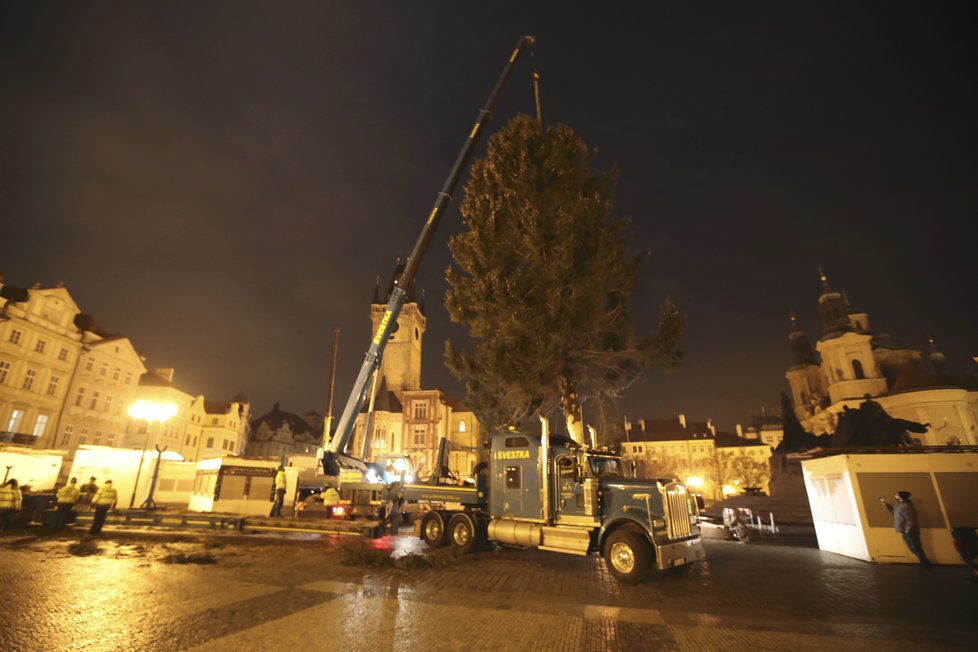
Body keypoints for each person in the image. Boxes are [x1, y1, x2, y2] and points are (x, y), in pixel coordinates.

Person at [880, 491, 931, 568]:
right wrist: (885, 504)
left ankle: (925, 565)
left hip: (910, 531)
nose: (895, 495)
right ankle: (926, 564)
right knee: (914, 548)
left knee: (915, 548)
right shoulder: (898, 505)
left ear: (900, 496)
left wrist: (908, 529)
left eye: (896, 494)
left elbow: (911, 518)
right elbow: (893, 512)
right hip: (904, 530)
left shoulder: (906, 505)